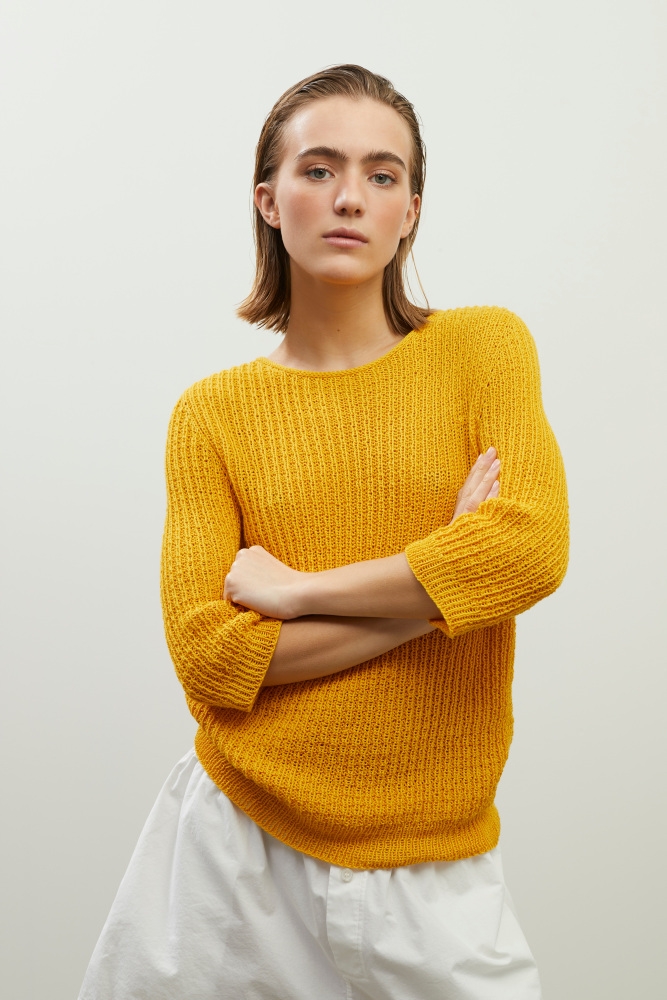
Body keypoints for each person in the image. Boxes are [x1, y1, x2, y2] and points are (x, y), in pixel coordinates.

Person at [79, 64, 569, 1000]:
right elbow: (211, 660)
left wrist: (297, 594)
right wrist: (440, 586)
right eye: (318, 169)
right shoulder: (212, 413)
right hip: (230, 855)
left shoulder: (483, 348)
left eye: (383, 175)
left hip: (435, 865)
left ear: (410, 211)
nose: (350, 197)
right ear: (268, 200)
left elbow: (529, 551)